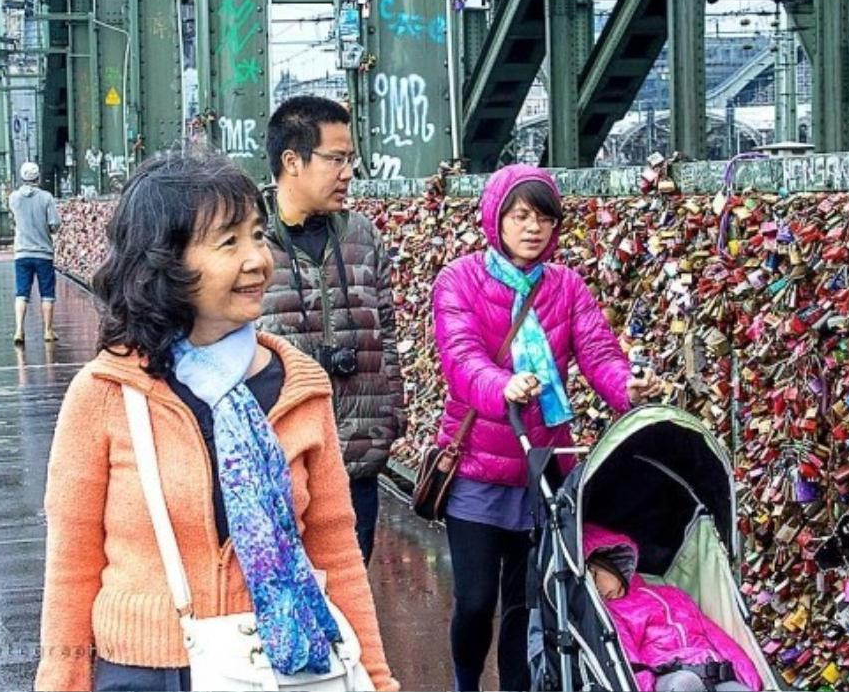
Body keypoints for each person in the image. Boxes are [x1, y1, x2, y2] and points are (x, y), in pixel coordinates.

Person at [34, 151, 396, 692]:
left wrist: (377, 678)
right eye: (229, 242)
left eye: (257, 234)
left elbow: (336, 555)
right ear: (165, 263)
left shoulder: (299, 388)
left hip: (277, 670)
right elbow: (71, 566)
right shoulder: (106, 393)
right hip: (143, 675)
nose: (257, 259)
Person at [432, 164, 665, 692]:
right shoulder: (459, 279)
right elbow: (461, 357)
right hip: (479, 468)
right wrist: (502, 386)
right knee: (474, 602)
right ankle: (466, 682)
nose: (532, 228)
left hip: (543, 467)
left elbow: (599, 353)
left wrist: (630, 388)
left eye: (543, 218)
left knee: (525, 602)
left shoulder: (565, 285)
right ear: (496, 218)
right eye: (519, 216)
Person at [258, 95, 405, 566]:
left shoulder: (362, 235)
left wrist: (391, 416)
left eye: (351, 160)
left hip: (357, 457)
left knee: (350, 593)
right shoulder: (247, 240)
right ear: (292, 161)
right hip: (277, 462)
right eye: (336, 159)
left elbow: (386, 329)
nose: (348, 173)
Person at [583, 524, 763, 692]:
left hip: (713, 670)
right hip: (667, 675)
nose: (599, 589)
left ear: (610, 562)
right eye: (591, 587)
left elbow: (716, 636)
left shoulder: (671, 593)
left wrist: (750, 679)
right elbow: (629, 660)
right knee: (684, 683)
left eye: (596, 576)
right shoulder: (614, 613)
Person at [9, 161, 61, 345]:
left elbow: (13, 218)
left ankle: (18, 330)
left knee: (22, 292)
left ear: (22, 178)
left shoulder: (14, 198)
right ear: (38, 178)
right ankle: (48, 330)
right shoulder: (46, 198)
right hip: (43, 253)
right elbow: (54, 224)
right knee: (47, 292)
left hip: (22, 252)